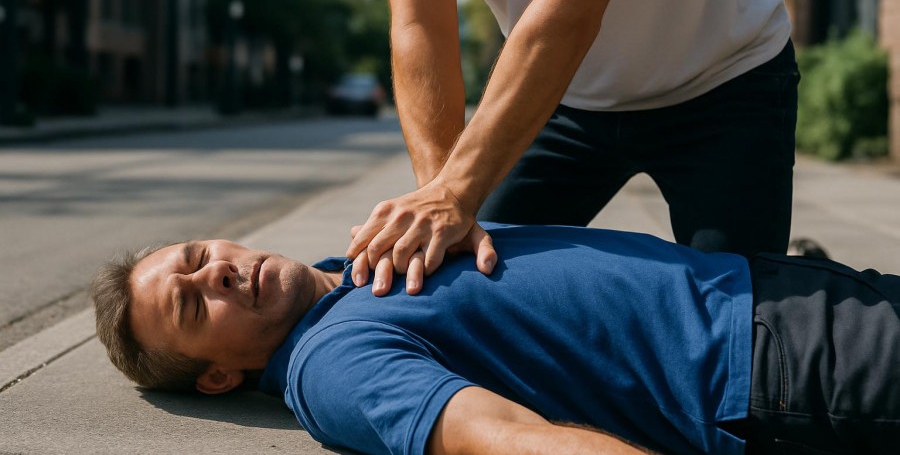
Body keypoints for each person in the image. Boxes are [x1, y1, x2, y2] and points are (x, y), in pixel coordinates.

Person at [93, 224, 900, 455]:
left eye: (202, 259)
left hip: (776, 294)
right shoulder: (327, 365)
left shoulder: (362, 263)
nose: (220, 276)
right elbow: (512, 442)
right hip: (772, 369)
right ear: (218, 379)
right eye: (195, 307)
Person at [346, 0, 800, 294]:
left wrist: (454, 193)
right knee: (463, 282)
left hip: (722, 77)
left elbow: (571, 9)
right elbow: (420, 22)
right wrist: (440, 199)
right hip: (556, 97)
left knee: (739, 320)